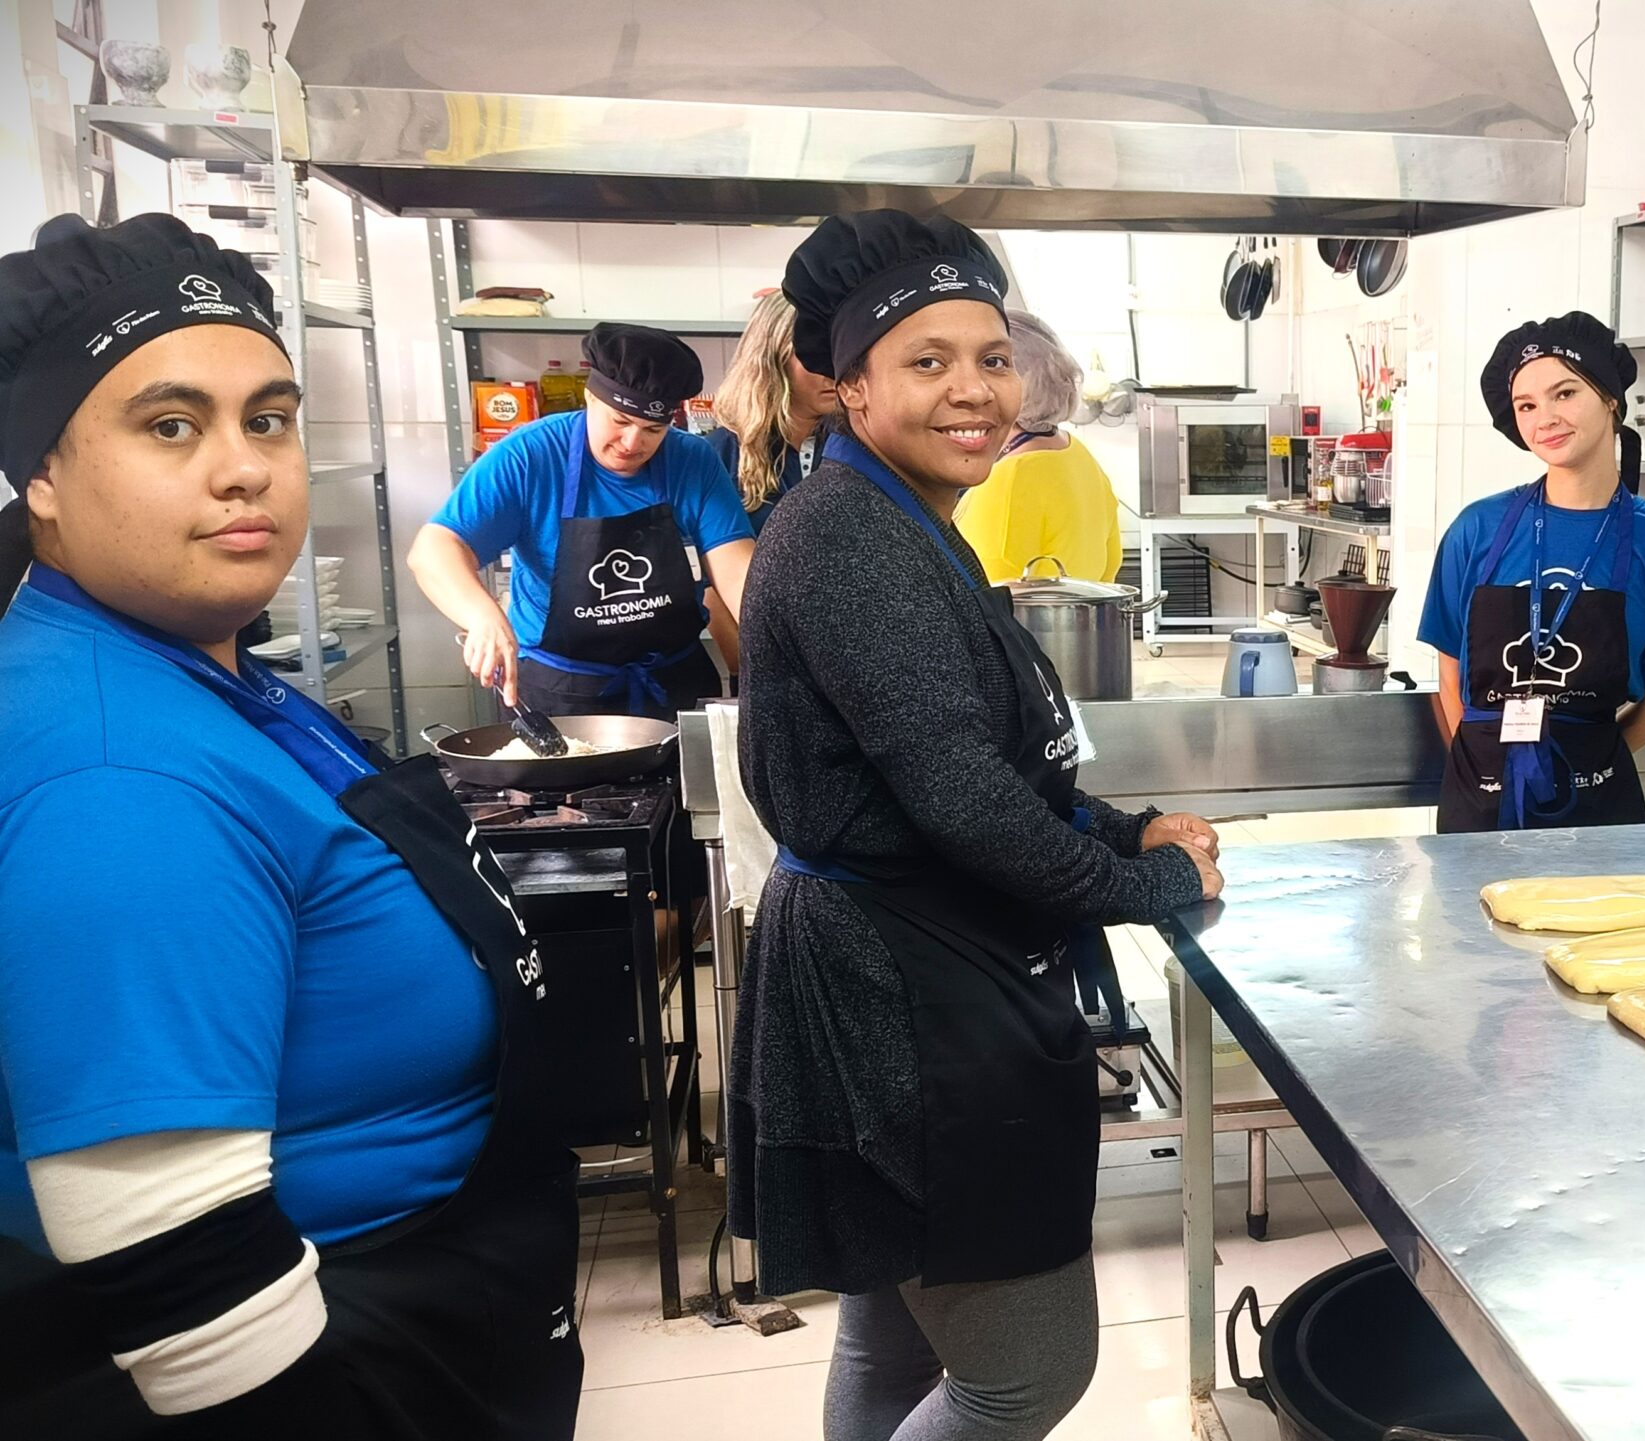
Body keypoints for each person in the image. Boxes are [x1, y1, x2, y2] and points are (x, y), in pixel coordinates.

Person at [0, 216, 578, 1435]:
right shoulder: (117, 769)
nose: (243, 466)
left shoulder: (196, 670)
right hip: (334, 1352)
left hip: (413, 1299)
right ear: (39, 474)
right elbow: (171, 1251)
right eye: (171, 425)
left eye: (267, 418)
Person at [730, 210, 1223, 1441]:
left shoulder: (905, 520)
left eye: (992, 358)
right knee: (1025, 1370)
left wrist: (1128, 829)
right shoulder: (849, 537)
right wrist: (1149, 888)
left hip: (910, 956)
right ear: (843, 382)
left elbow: (983, 765)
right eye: (928, 360)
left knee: (892, 1336)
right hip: (900, 987)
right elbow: (959, 801)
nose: (974, 391)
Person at [1420, 312, 1645, 832]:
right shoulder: (1476, 530)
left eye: (1564, 394)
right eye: (1527, 405)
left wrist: (1589, 757)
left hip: (1597, 802)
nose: (1545, 418)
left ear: (1609, 399)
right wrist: (1483, 757)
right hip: (1480, 796)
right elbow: (1450, 669)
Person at [409, 322, 754, 720]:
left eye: (653, 430)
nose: (632, 443)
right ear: (590, 396)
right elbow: (434, 549)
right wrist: (483, 617)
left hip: (674, 686)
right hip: (559, 694)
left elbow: (737, 571)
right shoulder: (529, 456)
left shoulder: (692, 461)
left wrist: (785, 653)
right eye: (620, 422)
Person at [705, 290, 839, 672]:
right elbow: (712, 593)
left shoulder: (854, 449)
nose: (831, 372)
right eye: (813, 357)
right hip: (763, 667)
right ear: (772, 358)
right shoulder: (720, 455)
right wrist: (751, 673)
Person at [954, 309, 1124, 584]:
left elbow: (982, 596)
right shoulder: (1077, 454)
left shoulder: (1009, 479)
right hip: (1078, 624)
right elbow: (1110, 564)